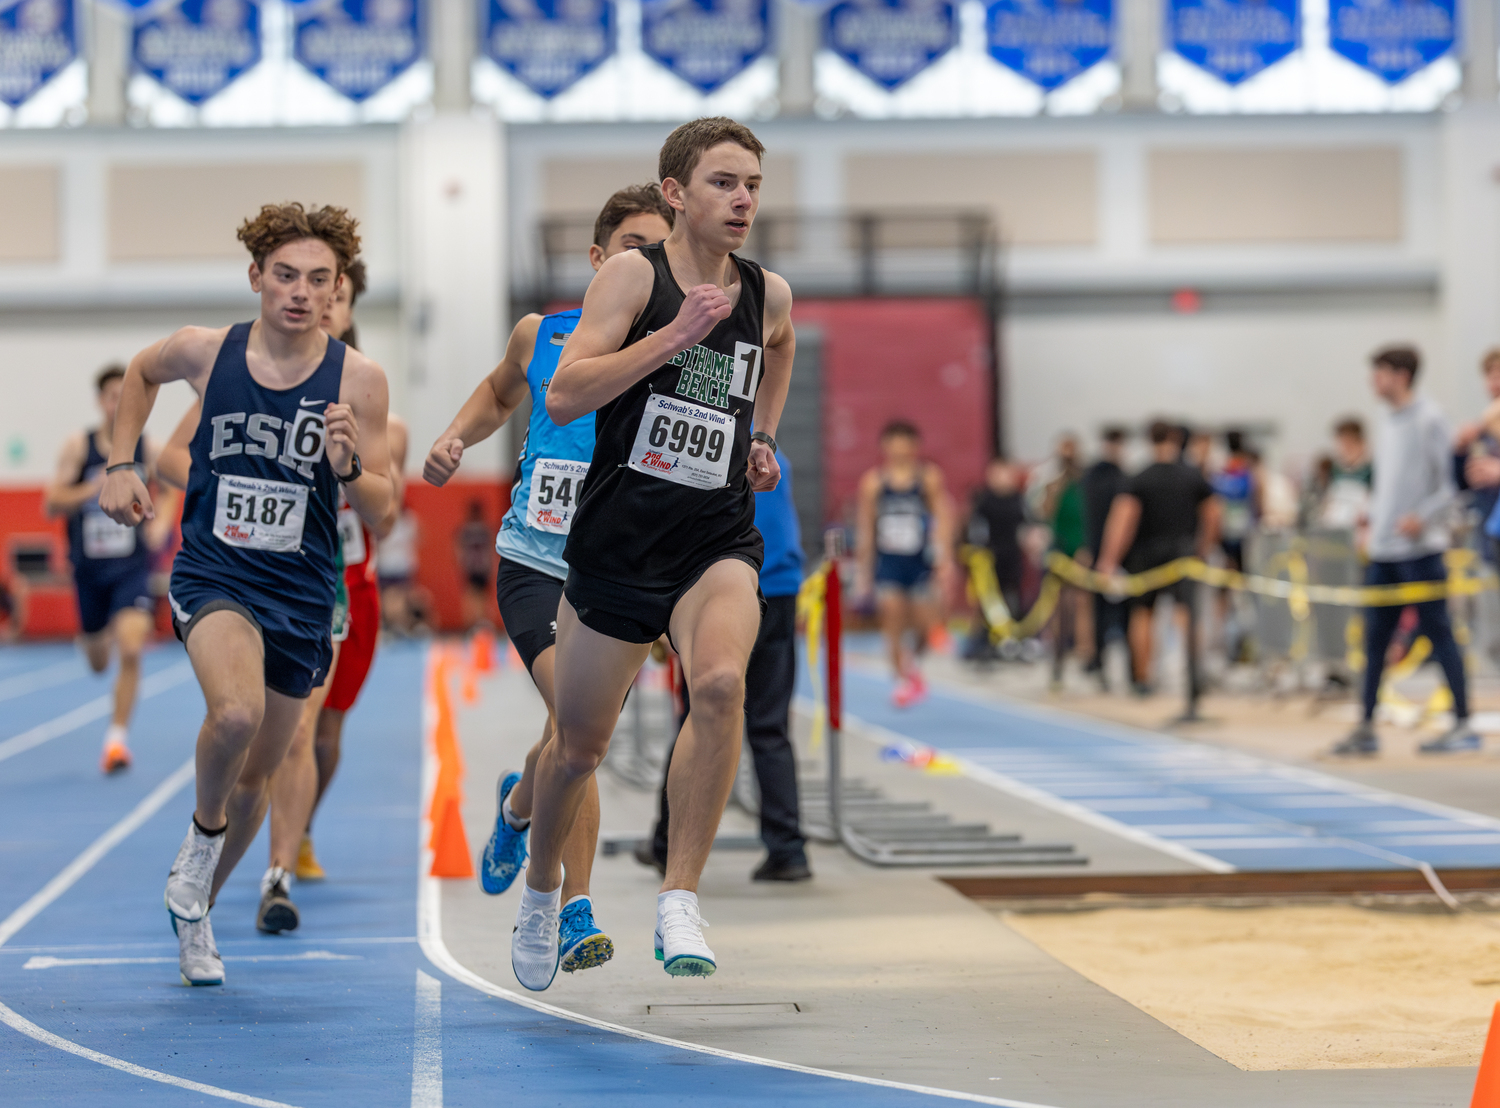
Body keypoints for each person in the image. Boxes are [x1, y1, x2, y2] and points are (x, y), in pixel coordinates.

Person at [512, 117, 794, 991]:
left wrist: (762, 433)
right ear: (675, 193)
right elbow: (562, 395)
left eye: (751, 182)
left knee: (717, 685)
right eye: (722, 182)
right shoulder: (636, 276)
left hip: (714, 540)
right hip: (616, 546)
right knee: (577, 749)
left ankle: (679, 897)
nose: (742, 198)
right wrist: (676, 336)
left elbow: (776, 350)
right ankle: (540, 892)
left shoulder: (766, 292)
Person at [98, 202, 392, 987]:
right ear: (257, 276)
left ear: (337, 291)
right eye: (286, 275)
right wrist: (121, 462)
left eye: (318, 280)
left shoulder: (358, 379)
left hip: (303, 590)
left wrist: (350, 467)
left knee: (260, 773)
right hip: (216, 574)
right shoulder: (208, 351)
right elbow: (138, 373)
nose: (300, 292)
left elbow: (387, 510)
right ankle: (200, 842)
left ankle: (196, 914)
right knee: (235, 713)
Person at [426, 184, 676, 977]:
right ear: (600, 260)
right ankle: (571, 911)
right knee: (577, 736)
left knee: (573, 738)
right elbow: (503, 391)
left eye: (659, 249)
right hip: (536, 563)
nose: (648, 262)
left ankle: (513, 810)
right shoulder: (545, 333)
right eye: (633, 246)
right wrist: (453, 439)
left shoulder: (681, 351)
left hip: (620, 573)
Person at [639, 447, 810, 883]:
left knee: (696, 717)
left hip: (725, 590)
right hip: (778, 585)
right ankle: (788, 848)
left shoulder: (709, 451)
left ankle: (665, 843)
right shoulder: (775, 457)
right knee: (770, 725)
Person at [1332, 347, 1474, 755]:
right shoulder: (1386, 420)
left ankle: (1462, 721)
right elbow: (1388, 485)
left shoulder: (1430, 418)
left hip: (1421, 549)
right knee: (1375, 640)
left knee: (1440, 633)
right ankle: (1365, 727)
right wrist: (1370, 514)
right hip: (1383, 551)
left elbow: (1451, 485)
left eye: (1379, 373)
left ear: (1401, 375)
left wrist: (1422, 517)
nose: (1373, 381)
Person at [45, 365, 178, 774]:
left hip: (131, 566)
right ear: (100, 402)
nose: (119, 404)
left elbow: (172, 489)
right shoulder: (78, 446)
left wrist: (161, 524)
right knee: (99, 659)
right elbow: (51, 502)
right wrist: (101, 484)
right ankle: (94, 642)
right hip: (88, 570)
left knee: (133, 648)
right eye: (112, 396)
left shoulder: (148, 449)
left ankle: (116, 741)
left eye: (127, 395)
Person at [1095, 419, 1220, 697]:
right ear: (1176, 439)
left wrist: (1108, 559)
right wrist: (1204, 548)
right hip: (1183, 554)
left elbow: (1123, 519)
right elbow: (1213, 513)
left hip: (1145, 554)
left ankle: (1143, 678)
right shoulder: (1192, 476)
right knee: (1186, 614)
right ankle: (1193, 675)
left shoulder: (1139, 477)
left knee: (1143, 615)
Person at [854, 421, 955, 707]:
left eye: (904, 444)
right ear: (884, 447)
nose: (898, 450)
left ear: (914, 447)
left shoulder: (928, 478)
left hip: (920, 560)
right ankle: (902, 679)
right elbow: (866, 527)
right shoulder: (874, 482)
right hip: (889, 561)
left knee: (926, 623)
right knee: (892, 618)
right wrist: (864, 572)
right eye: (893, 444)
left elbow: (942, 518)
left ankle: (913, 663)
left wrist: (944, 557)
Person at [1080, 427, 1131, 689]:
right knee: (1102, 611)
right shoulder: (1100, 477)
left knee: (1114, 612)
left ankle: (1107, 662)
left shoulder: (1117, 476)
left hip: (1112, 553)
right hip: (1106, 552)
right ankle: (1097, 660)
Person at [963, 456, 1026, 660]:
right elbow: (973, 530)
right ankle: (978, 643)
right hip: (987, 562)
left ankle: (1007, 641)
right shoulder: (983, 500)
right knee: (984, 604)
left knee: (1010, 601)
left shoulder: (1018, 500)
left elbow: (1028, 526)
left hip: (1011, 560)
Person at [1041, 433, 1088, 688]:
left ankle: (1086, 658)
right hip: (1059, 553)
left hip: (1080, 552)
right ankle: (1057, 660)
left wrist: (1086, 549)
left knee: (1081, 606)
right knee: (1059, 609)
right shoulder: (1053, 486)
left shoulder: (1084, 487)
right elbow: (1045, 515)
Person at [456, 501, 496, 629]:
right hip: (482, 566)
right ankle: (479, 621)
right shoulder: (484, 529)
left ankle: (474, 622)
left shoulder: (467, 529)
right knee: (481, 596)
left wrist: (461, 563)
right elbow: (491, 549)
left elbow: (459, 549)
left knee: (472, 595)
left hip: (472, 566)